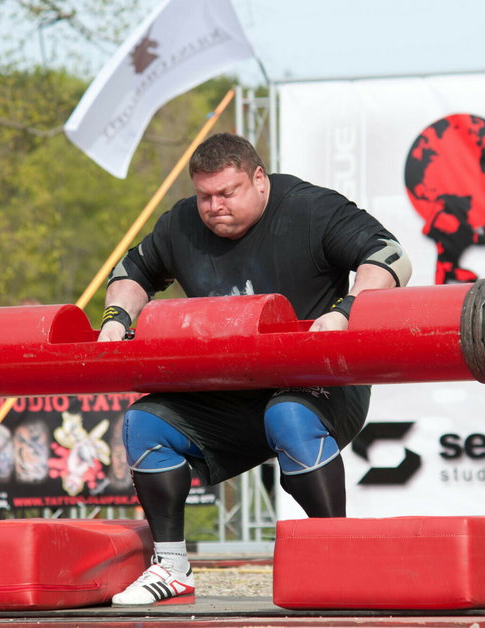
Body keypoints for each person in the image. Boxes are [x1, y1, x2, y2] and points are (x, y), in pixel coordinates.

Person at [98, 133, 411, 605]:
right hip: (225, 392)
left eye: (227, 193)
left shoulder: (310, 208)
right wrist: (116, 319)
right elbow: (131, 274)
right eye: (205, 195)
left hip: (316, 388)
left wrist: (346, 309)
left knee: (287, 414)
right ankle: (171, 566)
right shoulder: (181, 222)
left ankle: (339, 557)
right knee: (144, 422)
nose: (214, 206)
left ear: (259, 180)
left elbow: (392, 257)